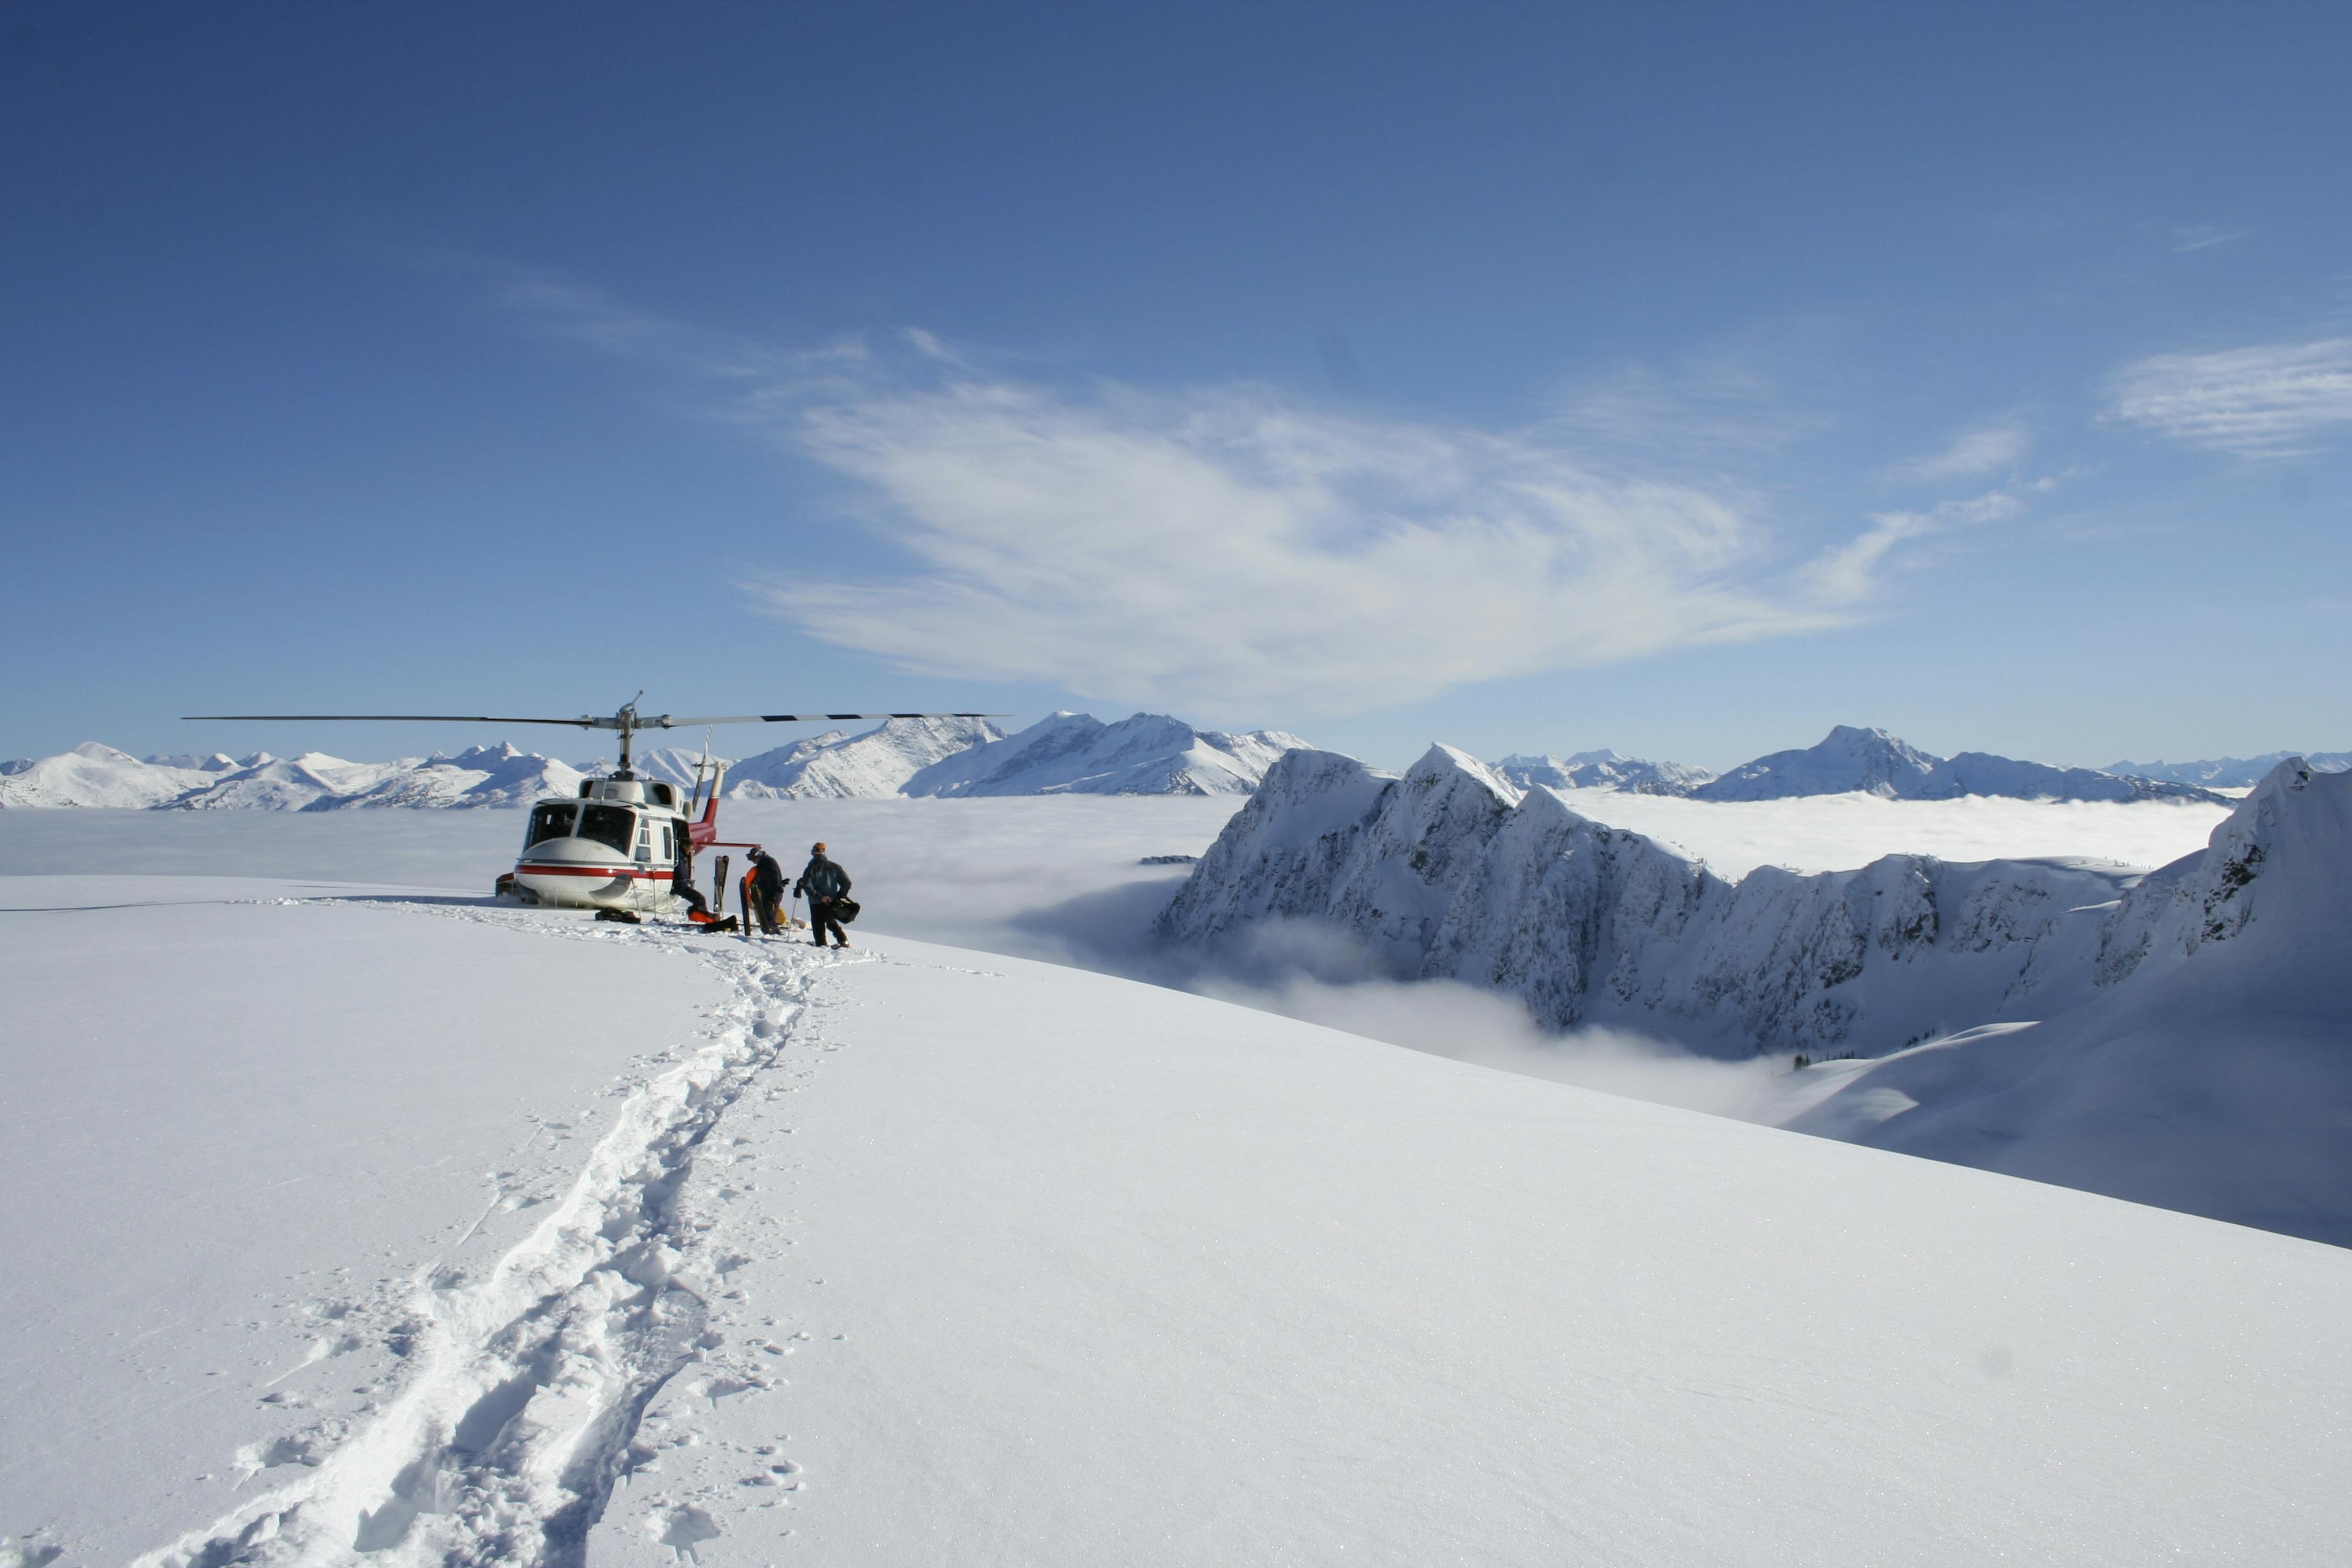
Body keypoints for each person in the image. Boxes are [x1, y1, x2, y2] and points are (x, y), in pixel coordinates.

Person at [796, 840, 852, 948]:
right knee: (831, 921)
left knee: (818, 924)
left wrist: (820, 897)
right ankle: (843, 940)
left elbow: (808, 885)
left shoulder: (811, 869)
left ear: (813, 853)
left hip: (816, 901)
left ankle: (821, 945)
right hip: (832, 901)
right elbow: (847, 883)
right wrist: (839, 896)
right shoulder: (835, 867)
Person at [747, 846, 785, 936]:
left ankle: (773, 933)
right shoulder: (764, 864)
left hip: (772, 893)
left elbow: (774, 879)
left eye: (753, 859)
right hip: (768, 892)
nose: (753, 861)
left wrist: (773, 896)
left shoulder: (768, 863)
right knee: (766, 914)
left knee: (769, 915)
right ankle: (771, 931)